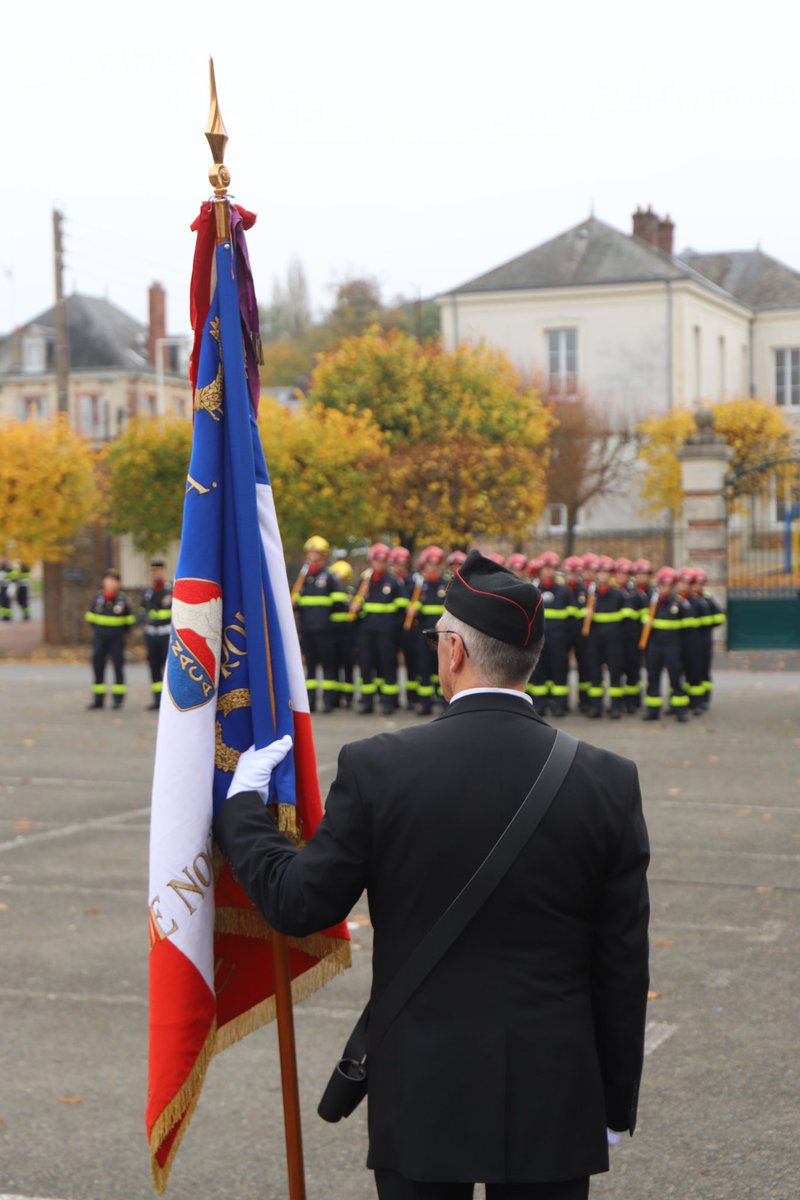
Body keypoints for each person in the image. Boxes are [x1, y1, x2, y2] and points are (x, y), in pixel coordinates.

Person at [215, 550, 650, 1200]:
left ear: (453, 651)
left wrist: (243, 810)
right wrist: (615, 1103)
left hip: (424, 1084)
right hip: (553, 1090)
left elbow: (299, 901)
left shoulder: (379, 768)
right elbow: (622, 966)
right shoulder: (607, 781)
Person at [293, 535, 338, 713]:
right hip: (307, 627)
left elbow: (338, 602)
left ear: (323, 555)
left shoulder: (329, 577)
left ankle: (328, 701)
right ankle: (309, 701)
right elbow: (299, 602)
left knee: (327, 665)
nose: (311, 555)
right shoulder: (303, 577)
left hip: (324, 629)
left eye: (316, 552)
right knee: (309, 667)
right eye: (310, 552)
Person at [84, 569, 135, 709]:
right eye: (108, 579)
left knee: (118, 667)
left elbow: (129, 621)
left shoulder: (123, 600)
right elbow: (90, 617)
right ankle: (98, 699)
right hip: (99, 639)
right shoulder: (97, 598)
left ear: (118, 583)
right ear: (103, 581)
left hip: (117, 640)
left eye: (114, 580)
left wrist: (119, 632)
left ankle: (118, 700)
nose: (110, 583)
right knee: (98, 667)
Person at [140, 558, 173, 710]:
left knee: (167, 667)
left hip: (166, 635)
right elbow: (143, 611)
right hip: (152, 635)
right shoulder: (148, 592)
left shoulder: (171, 590)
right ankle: (157, 699)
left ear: (164, 572)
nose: (156, 574)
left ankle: (169, 700)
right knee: (154, 667)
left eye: (158, 571)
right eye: (153, 572)